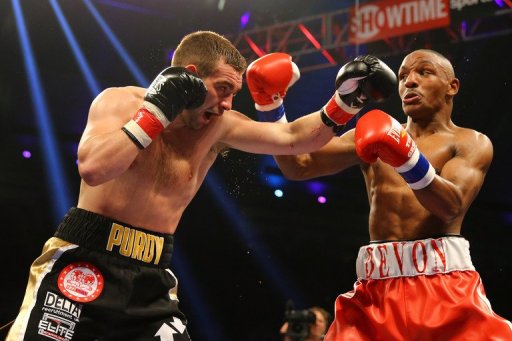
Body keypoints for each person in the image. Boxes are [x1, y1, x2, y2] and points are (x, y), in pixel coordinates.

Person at [5, 31, 353, 341]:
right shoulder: (121, 102)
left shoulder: (219, 127)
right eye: (222, 89)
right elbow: (94, 169)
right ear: (189, 79)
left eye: (233, 93)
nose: (227, 105)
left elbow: (294, 139)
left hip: (152, 278)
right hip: (83, 260)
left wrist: (347, 100)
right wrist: (155, 113)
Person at [271, 49, 512, 339]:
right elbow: (298, 166)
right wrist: (270, 104)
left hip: (445, 287)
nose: (409, 82)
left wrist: (405, 157)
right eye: (402, 76)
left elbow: (450, 206)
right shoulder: (369, 133)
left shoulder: (470, 142)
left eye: (424, 72)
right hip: (374, 291)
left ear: (452, 86)